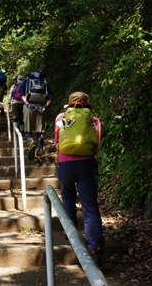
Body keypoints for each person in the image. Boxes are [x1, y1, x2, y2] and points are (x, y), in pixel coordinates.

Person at [54, 91, 105, 265]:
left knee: (68, 196)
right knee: (89, 206)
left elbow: (56, 142)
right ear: (87, 104)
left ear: (69, 104)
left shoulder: (61, 117)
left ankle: (72, 237)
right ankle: (94, 246)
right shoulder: (94, 120)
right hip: (86, 165)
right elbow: (97, 145)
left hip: (65, 165)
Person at [17, 71, 51, 158]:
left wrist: (27, 103)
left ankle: (31, 142)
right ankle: (39, 150)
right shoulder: (44, 82)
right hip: (41, 108)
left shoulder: (26, 81)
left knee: (28, 130)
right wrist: (44, 106)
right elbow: (49, 98)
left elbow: (20, 94)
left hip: (29, 107)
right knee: (40, 130)